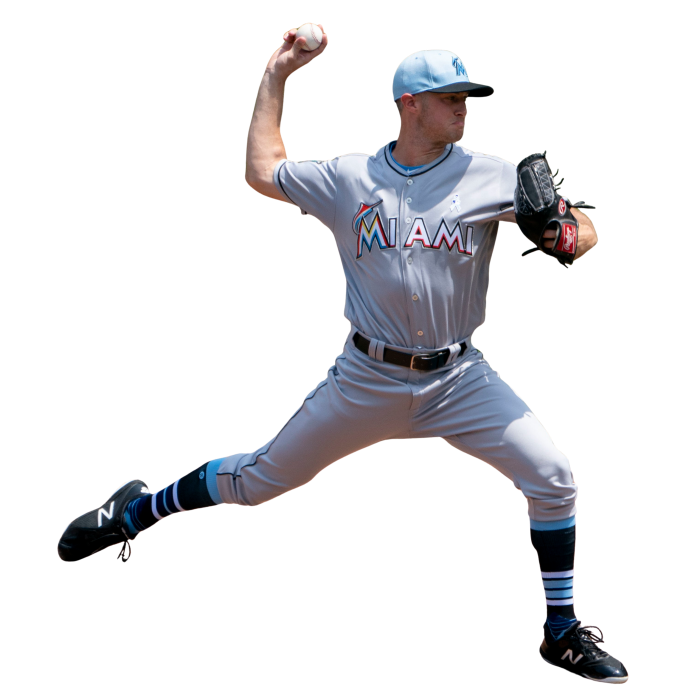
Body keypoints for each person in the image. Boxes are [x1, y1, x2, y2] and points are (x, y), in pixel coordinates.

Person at [57, 28, 627, 685]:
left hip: (460, 378)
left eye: (467, 97)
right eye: (450, 97)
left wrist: (564, 231)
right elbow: (262, 171)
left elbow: (583, 232)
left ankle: (561, 633)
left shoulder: (490, 175)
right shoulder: (350, 177)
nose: (464, 107)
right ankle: (129, 513)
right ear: (410, 103)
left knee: (554, 477)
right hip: (367, 377)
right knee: (257, 482)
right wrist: (278, 73)